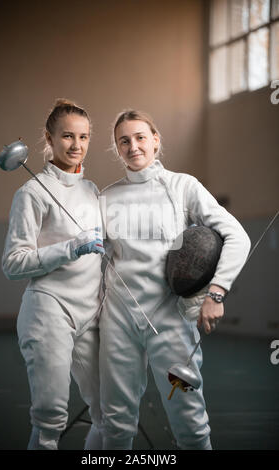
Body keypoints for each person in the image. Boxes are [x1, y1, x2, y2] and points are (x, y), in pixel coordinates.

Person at [99, 109, 251, 450]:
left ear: (155, 140)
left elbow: (237, 236)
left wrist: (216, 293)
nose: (133, 146)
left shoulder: (183, 186)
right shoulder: (106, 197)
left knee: (189, 419)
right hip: (118, 324)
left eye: (140, 137)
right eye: (124, 141)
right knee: (117, 422)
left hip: (171, 324)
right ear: (117, 148)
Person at [2, 99, 105, 450]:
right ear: (49, 138)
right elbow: (13, 263)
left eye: (84, 137)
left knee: (109, 410)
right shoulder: (31, 192)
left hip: (91, 314)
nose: (77, 145)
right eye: (67, 136)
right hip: (49, 312)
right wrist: (71, 247)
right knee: (50, 418)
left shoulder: (92, 191)